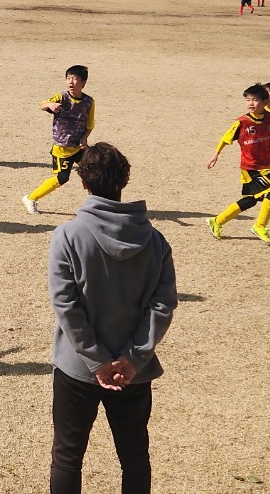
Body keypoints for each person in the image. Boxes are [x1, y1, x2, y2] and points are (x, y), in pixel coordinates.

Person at [47, 142, 176, 494]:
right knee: (134, 455)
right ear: (124, 180)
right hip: (133, 374)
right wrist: (132, 359)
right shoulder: (155, 241)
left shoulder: (67, 236)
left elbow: (65, 304)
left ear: (83, 182)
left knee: (67, 456)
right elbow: (162, 305)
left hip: (77, 368)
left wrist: (97, 360)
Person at [206, 83, 270, 244]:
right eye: (247, 100)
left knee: (251, 200)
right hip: (251, 167)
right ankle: (260, 226)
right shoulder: (242, 122)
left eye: (255, 100)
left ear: (265, 102)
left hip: (264, 165)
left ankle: (217, 221)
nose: (250, 103)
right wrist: (216, 154)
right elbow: (225, 138)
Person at [23, 66, 95, 215]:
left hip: (79, 148)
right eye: (68, 78)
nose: (71, 82)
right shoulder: (61, 98)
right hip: (62, 149)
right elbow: (42, 105)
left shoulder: (89, 102)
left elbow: (90, 124)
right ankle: (30, 198)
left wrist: (84, 138)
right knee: (62, 178)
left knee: (93, 172)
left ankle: (96, 205)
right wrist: (49, 105)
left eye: (75, 79)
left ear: (83, 83)